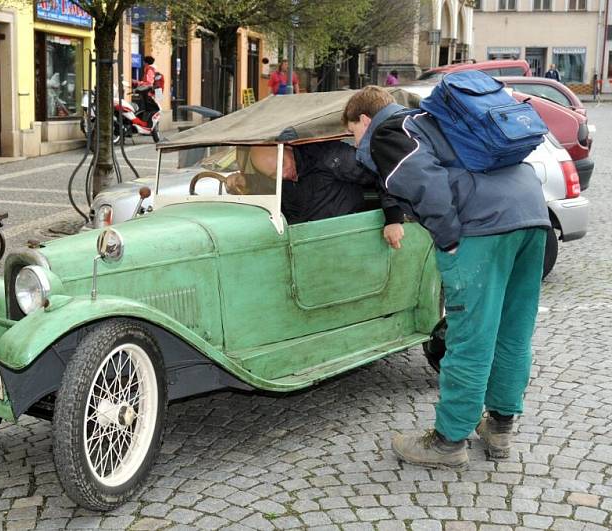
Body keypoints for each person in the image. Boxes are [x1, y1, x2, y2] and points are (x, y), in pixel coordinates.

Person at [343, 85, 551, 469]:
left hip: (483, 228)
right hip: (532, 214)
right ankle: (501, 427)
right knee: (513, 330)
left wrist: (449, 240)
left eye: (352, 131)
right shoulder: (431, 121)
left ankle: (448, 441)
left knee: (470, 337)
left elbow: (427, 186)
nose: (354, 140)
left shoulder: (390, 132)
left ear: (365, 120)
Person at [230, 141, 396, 225]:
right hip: (304, 241)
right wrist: (246, 181)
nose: (284, 175)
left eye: (283, 165)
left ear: (288, 148)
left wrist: (394, 217)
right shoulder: (278, 181)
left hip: (346, 233)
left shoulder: (329, 156)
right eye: (274, 175)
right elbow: (266, 188)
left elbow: (384, 172)